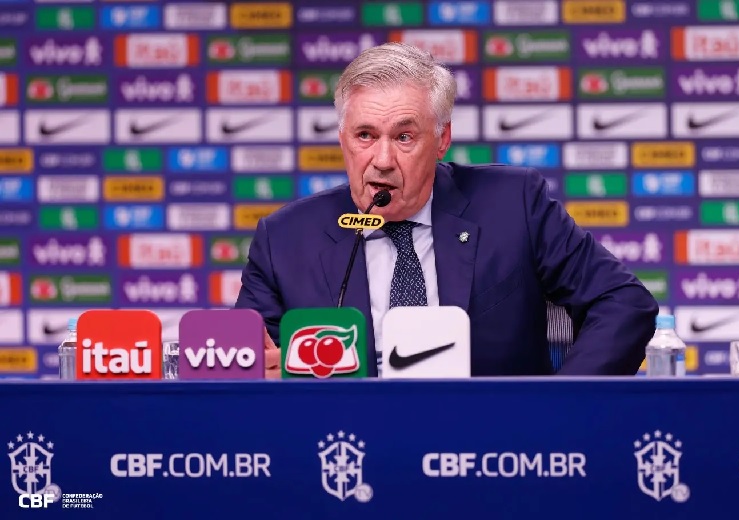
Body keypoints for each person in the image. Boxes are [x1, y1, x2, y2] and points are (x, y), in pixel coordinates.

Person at [235, 43, 659, 378]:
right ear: (342, 138)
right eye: (365, 135)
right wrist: (264, 377)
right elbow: (245, 359)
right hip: (349, 442)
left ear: (442, 140)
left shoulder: (513, 205)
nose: (382, 160)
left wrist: (559, 408)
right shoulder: (285, 240)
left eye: (404, 137)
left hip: (493, 445)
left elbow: (623, 302)